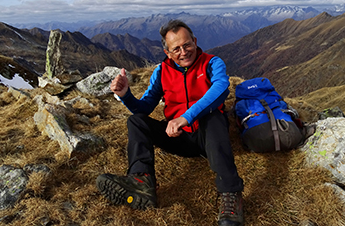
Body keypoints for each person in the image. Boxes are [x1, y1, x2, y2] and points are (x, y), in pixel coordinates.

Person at [96, 20, 244, 226]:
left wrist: (186, 117)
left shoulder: (212, 63)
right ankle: (142, 181)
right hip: (178, 137)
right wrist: (125, 95)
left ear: (195, 41)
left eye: (187, 45)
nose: (184, 52)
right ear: (167, 52)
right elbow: (144, 107)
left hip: (209, 136)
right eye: (176, 49)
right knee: (136, 121)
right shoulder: (162, 71)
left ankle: (230, 194)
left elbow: (220, 89)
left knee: (213, 115)